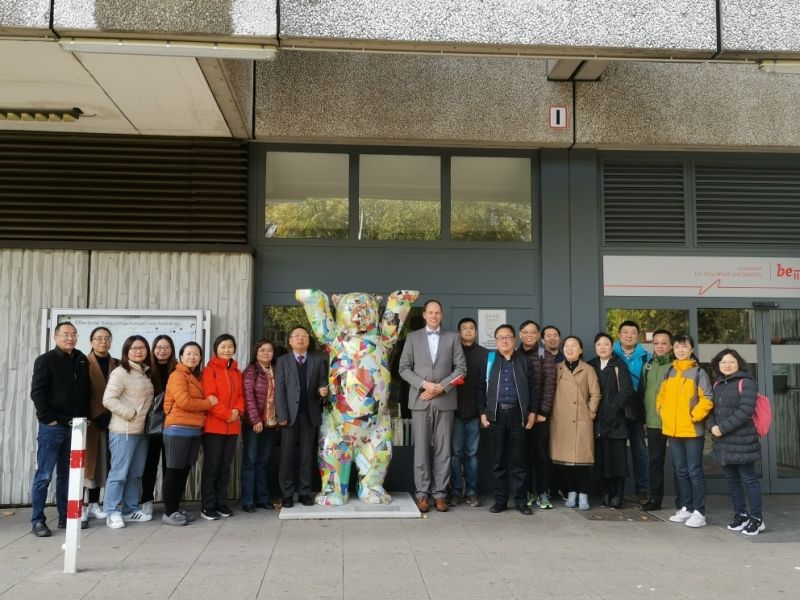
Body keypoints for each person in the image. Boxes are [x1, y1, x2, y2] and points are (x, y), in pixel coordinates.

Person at [399, 299, 467, 513]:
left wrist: (441, 387)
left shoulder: (453, 338)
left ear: (441, 315)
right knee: (421, 450)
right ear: (424, 315)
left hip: (445, 401)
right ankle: (422, 495)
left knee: (443, 451)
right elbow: (403, 368)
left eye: (437, 312)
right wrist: (425, 384)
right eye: (430, 312)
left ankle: (440, 495)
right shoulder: (412, 337)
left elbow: (461, 369)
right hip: (420, 400)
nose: (434, 316)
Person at [29, 321, 91, 537]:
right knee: (44, 474)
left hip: (76, 428)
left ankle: (66, 518)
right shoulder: (45, 360)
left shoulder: (81, 358)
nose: (70, 338)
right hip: (53, 428)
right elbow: (37, 392)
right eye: (65, 334)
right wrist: (49, 419)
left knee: (68, 475)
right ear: (55, 337)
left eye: (74, 334)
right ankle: (37, 520)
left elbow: (86, 391)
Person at [478, 324, 537, 515]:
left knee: (519, 461)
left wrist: (532, 412)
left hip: (518, 415)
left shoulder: (524, 360)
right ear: (495, 341)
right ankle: (500, 501)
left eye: (508, 337)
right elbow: (480, 388)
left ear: (515, 340)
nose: (505, 340)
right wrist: (482, 412)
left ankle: (521, 501)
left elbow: (533, 388)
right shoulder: (489, 360)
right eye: (501, 337)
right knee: (498, 462)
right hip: (495, 416)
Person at [656, 334, 713, 528]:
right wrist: (661, 411)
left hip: (692, 431)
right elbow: (661, 396)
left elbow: (707, 398)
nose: (681, 350)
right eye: (678, 347)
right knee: (680, 471)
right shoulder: (670, 371)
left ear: (691, 349)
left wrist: (693, 416)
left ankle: (699, 511)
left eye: (684, 346)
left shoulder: (699, 373)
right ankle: (686, 508)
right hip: (672, 430)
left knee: (694, 470)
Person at [709, 348, 765, 536]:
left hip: (743, 440)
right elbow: (711, 409)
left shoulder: (746, 382)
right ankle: (740, 514)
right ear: (718, 365)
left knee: (748, 479)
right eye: (723, 362)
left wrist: (722, 428)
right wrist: (711, 426)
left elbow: (745, 411)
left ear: (739, 363)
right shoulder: (718, 384)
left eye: (731, 362)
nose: (727, 365)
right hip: (723, 442)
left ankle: (757, 518)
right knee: (732, 480)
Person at [161, 342, 217, 526]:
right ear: (181, 356)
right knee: (174, 471)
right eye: (189, 353)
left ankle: (175, 509)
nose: (192, 357)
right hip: (177, 429)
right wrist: (208, 403)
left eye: (196, 354)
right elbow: (184, 402)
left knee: (183, 472)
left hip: (193, 430)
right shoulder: (177, 376)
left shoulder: (194, 376)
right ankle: (168, 512)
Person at [102, 335, 155, 528]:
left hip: (141, 432)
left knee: (135, 474)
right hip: (123, 431)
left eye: (142, 347)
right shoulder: (120, 372)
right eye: (133, 348)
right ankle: (112, 511)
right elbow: (108, 400)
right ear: (126, 352)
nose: (138, 351)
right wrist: (131, 414)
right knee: (119, 473)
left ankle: (131, 509)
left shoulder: (145, 372)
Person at [275, 326, 327, 507]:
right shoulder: (282, 361)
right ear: (289, 341)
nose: (300, 339)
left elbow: (322, 381)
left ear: (308, 340)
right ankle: (287, 494)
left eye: (303, 336)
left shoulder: (318, 360)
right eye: (295, 336)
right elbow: (279, 390)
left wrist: (323, 390)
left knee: (307, 456)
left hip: (309, 415)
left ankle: (305, 492)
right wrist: (281, 414)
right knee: (287, 456)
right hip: (289, 416)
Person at [549, 335, 600, 511]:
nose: (570, 349)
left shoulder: (588, 369)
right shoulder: (557, 369)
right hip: (561, 420)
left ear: (581, 350)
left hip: (581, 420)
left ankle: (583, 494)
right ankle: (571, 492)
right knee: (566, 461)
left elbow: (595, 394)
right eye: (567, 346)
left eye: (574, 346)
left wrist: (590, 413)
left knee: (582, 461)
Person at [200, 333, 245, 520]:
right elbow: (210, 397)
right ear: (216, 349)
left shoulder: (237, 372)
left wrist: (237, 411)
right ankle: (207, 506)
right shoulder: (209, 371)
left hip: (232, 427)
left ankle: (221, 503)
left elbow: (241, 396)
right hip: (213, 427)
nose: (227, 350)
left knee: (225, 468)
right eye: (223, 347)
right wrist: (227, 414)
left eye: (230, 346)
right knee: (212, 467)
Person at [588, 333, 632, 509]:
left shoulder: (619, 364)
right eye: (599, 344)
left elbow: (626, 391)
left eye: (606, 344)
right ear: (595, 347)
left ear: (611, 346)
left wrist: (614, 410)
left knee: (618, 459)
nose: (602, 347)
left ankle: (619, 494)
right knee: (602, 459)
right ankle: (606, 492)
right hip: (597, 420)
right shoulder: (591, 365)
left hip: (616, 421)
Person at [448, 318, 487, 508]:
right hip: (454, 411)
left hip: (475, 412)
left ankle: (472, 492)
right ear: (459, 332)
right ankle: (456, 490)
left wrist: (483, 412)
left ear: (476, 332)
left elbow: (487, 384)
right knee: (455, 455)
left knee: (472, 454)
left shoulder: (485, 354)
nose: (468, 331)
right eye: (464, 328)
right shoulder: (451, 353)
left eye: (471, 328)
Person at [518, 320, 556, 509]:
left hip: (540, 416)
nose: (529, 335)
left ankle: (542, 492)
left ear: (538, 335)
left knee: (540, 456)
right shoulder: (514, 354)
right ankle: (526, 491)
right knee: (521, 455)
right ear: (520, 334)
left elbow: (550, 386)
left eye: (533, 332)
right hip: (519, 416)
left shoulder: (545, 355)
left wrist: (543, 411)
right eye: (525, 332)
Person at [83, 326, 119, 527]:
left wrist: (111, 414)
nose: (103, 342)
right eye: (98, 338)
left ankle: (94, 503)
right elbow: (83, 392)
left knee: (104, 462)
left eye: (107, 338)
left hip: (113, 419)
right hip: (91, 420)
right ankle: (81, 505)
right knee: (89, 462)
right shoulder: (83, 363)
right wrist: (97, 414)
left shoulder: (117, 363)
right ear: (91, 342)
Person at [612, 320, 650, 506]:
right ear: (619, 335)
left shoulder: (646, 357)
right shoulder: (610, 353)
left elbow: (649, 386)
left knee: (639, 450)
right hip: (615, 407)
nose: (629, 335)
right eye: (625, 332)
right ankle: (614, 491)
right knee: (614, 451)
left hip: (636, 408)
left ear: (638, 336)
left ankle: (641, 489)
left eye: (633, 332)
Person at [140, 334, 176, 518]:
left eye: (167, 347)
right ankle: (146, 500)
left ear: (172, 350)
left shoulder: (178, 369)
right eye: (159, 347)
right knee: (150, 464)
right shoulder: (145, 370)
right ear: (153, 349)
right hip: (151, 425)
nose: (162, 350)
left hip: (173, 424)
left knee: (170, 465)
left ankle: (171, 502)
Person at [241, 339, 279, 512]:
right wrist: (255, 420)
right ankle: (248, 500)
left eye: (269, 350)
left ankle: (262, 498)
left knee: (263, 461)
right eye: (262, 350)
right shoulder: (251, 371)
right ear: (256, 352)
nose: (266, 353)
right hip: (254, 424)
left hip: (270, 423)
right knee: (250, 461)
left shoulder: (276, 371)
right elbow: (248, 396)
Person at [640, 329, 676, 511]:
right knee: (654, 462)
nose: (660, 346)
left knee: (679, 463)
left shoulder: (678, 365)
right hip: (653, 421)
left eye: (664, 343)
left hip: (675, 421)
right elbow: (644, 392)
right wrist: (645, 418)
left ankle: (684, 502)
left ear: (671, 346)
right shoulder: (648, 365)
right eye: (656, 343)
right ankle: (654, 500)